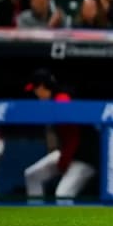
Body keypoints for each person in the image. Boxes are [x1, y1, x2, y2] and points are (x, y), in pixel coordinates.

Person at [23, 70, 97, 200]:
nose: (35, 94)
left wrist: (64, 162)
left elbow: (73, 136)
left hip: (85, 158)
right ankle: (35, 216)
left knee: (62, 195)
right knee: (32, 175)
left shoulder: (62, 100)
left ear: (41, 87)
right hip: (70, 154)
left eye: (35, 89)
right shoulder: (54, 100)